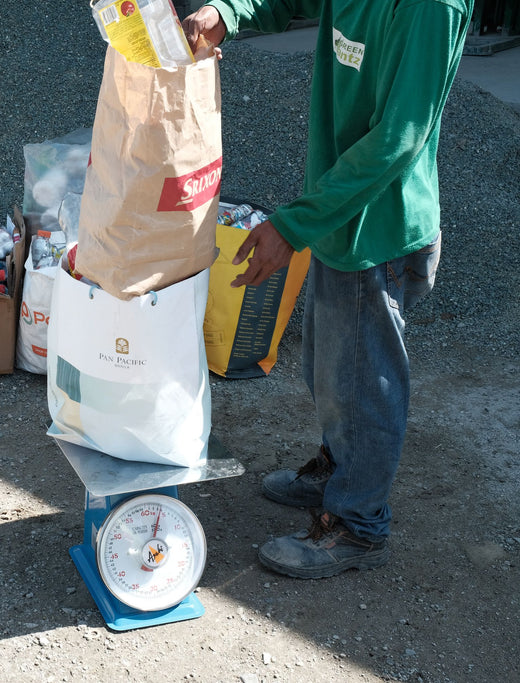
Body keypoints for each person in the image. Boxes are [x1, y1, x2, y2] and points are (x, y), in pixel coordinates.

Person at [182, 0, 472, 578]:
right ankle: (342, 468)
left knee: (363, 386)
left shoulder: (429, 10)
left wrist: (291, 226)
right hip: (341, 217)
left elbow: (399, 137)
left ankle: (359, 526)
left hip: (378, 228)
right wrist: (226, 13)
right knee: (329, 369)